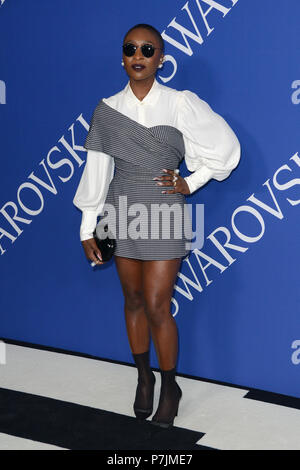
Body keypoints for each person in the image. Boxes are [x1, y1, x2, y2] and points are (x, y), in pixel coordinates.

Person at [73, 23, 241, 429]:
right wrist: (86, 227)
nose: (138, 55)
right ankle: (143, 378)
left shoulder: (181, 103)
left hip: (165, 213)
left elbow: (226, 148)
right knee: (132, 301)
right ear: (123, 57)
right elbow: (98, 171)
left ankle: (170, 387)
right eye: (131, 48)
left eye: (148, 49)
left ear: (161, 59)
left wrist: (192, 181)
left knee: (156, 305)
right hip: (118, 213)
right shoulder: (106, 110)